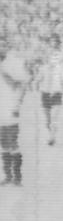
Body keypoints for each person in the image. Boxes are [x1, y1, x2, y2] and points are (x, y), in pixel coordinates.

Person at [0, 40, 30, 186]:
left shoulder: (11, 64)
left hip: (10, 108)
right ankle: (8, 176)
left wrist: (17, 104)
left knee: (13, 143)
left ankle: (17, 177)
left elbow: (23, 83)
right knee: (4, 144)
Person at [39, 35, 63, 146]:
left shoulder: (61, 67)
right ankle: (50, 134)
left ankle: (52, 138)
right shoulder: (43, 67)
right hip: (45, 93)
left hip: (57, 92)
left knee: (54, 119)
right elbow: (38, 79)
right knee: (47, 121)